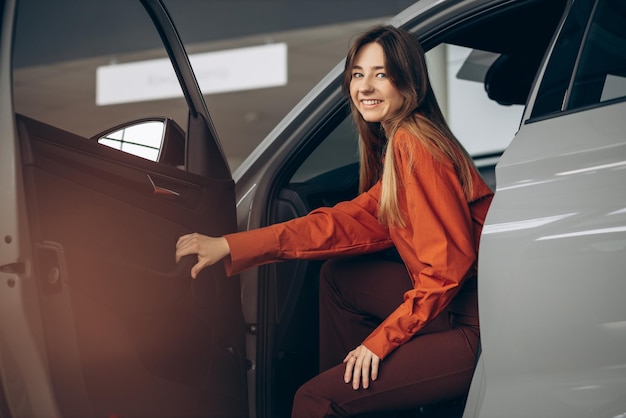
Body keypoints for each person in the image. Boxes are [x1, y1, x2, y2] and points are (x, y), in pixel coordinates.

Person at [176, 25, 493, 418]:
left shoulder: (415, 144)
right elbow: (341, 224)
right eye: (358, 74)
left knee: (314, 399)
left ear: (408, 82)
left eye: (381, 73)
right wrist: (232, 244)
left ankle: (342, 397)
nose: (365, 87)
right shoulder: (404, 144)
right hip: (462, 305)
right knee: (339, 279)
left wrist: (378, 344)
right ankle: (359, 396)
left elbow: (446, 270)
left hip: (475, 327)